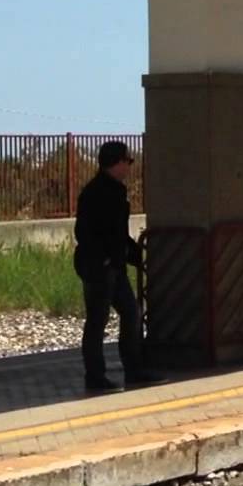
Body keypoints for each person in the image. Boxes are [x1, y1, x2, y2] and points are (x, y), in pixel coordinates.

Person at [73, 141, 160, 392]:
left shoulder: (112, 191)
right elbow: (86, 232)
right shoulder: (97, 193)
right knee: (98, 320)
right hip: (100, 267)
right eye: (128, 161)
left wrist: (135, 256)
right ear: (117, 162)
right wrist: (106, 258)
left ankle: (133, 370)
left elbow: (118, 235)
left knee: (130, 313)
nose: (130, 166)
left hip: (113, 265)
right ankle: (95, 376)